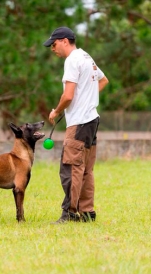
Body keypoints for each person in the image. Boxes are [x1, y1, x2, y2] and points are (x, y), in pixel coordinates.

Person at [43, 27, 109, 223]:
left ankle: (70, 213)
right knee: (86, 169)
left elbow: (68, 95)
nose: (52, 49)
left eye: (53, 45)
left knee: (70, 168)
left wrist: (56, 111)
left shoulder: (72, 60)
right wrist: (87, 99)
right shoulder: (86, 57)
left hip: (79, 122)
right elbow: (103, 81)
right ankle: (87, 212)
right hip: (92, 120)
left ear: (64, 41)